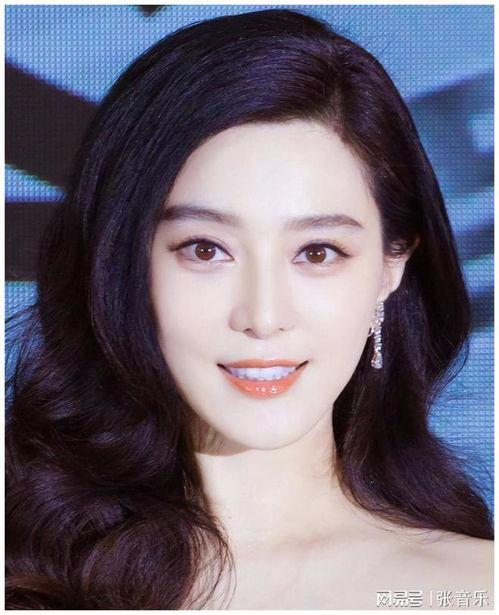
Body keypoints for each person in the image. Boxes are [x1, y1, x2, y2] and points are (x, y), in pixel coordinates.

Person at [5, 8, 493, 610]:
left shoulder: (469, 591)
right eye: (205, 249)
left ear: (391, 265)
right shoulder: (26, 570)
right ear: (122, 261)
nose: (262, 317)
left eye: (318, 252)